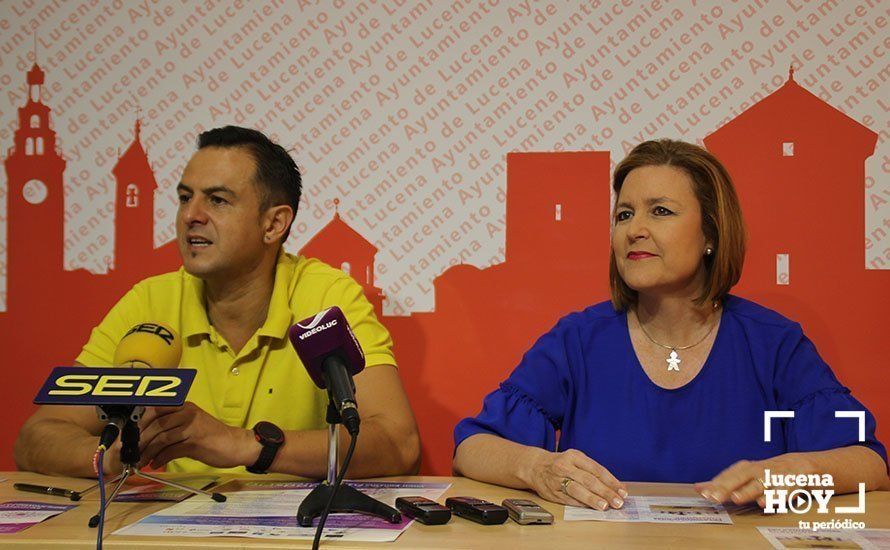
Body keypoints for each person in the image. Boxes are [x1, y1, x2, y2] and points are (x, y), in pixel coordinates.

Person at [452, 139, 888, 511]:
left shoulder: (775, 343)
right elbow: (472, 449)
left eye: (660, 211)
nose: (635, 230)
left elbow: (870, 462)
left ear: (711, 235)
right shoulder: (578, 339)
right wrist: (536, 467)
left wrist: (800, 471)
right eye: (624, 214)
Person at [14, 126, 420, 478]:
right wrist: (112, 456)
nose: (191, 215)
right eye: (184, 197)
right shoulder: (151, 301)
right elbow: (39, 435)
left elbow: (397, 443)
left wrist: (246, 445)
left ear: (274, 223)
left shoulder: (326, 297)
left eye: (218, 200)